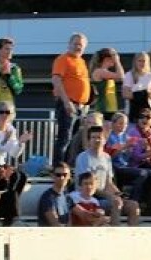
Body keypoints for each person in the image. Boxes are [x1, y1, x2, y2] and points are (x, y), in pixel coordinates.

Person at [74, 124, 140, 225]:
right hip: (88, 197)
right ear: (89, 140)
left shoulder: (107, 157)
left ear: (105, 140)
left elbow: (108, 182)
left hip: (105, 196)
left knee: (133, 205)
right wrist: (111, 197)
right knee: (115, 202)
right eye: (93, 137)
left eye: (99, 137)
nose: (97, 140)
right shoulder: (83, 157)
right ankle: (114, 234)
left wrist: (119, 194)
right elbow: (87, 185)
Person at [51, 33, 91, 164]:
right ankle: (58, 168)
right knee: (65, 138)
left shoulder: (82, 61)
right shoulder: (63, 59)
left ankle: (67, 167)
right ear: (69, 44)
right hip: (68, 104)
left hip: (80, 106)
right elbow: (56, 80)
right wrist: (67, 102)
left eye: (81, 45)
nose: (78, 47)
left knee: (74, 140)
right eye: (76, 43)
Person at [88, 47, 124, 123]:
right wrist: (117, 61)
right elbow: (120, 76)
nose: (114, 60)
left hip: (110, 108)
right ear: (107, 59)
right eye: (113, 57)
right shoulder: (99, 71)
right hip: (104, 108)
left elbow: (121, 78)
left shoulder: (106, 72)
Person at [121, 51, 151, 123]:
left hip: (148, 112)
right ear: (135, 62)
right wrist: (141, 93)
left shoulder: (150, 76)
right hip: (133, 111)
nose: (142, 63)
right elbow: (125, 94)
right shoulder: (129, 75)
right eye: (139, 61)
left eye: (144, 61)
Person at [37, 161, 72, 226]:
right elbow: (55, 224)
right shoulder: (47, 197)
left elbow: (71, 220)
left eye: (65, 175)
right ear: (52, 176)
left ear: (69, 176)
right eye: (58, 175)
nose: (62, 178)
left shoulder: (67, 196)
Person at [0, 38, 24, 107]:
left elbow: (18, 90)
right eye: (7, 49)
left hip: (6, 107)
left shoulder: (14, 68)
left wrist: (9, 77)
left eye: (11, 49)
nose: (10, 51)